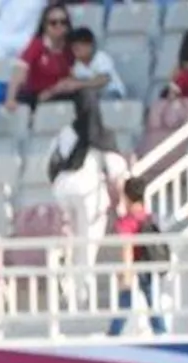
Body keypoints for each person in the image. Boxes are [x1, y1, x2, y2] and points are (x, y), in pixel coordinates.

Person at [48, 88, 129, 307]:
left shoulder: (65, 132)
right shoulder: (102, 134)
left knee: (69, 240)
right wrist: (121, 201)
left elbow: (53, 161)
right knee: (88, 243)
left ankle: (65, 280)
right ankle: (81, 295)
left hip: (62, 188)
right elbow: (117, 171)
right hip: (88, 192)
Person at [108, 176, 168, 337]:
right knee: (152, 302)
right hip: (150, 265)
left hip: (137, 267)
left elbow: (127, 248)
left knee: (126, 302)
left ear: (126, 197)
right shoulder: (150, 217)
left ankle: (113, 334)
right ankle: (160, 332)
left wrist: (126, 275)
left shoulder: (127, 221)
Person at [5, 4, 76, 110]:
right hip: (34, 97)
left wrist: (53, 91)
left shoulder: (71, 47)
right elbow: (20, 69)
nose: (59, 26)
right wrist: (10, 98)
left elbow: (73, 77)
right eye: (53, 23)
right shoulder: (37, 44)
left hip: (59, 95)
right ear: (45, 25)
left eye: (63, 22)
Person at [68, 27, 125, 100]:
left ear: (90, 45)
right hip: (93, 96)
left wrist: (79, 84)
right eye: (73, 47)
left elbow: (103, 80)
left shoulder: (101, 57)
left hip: (112, 93)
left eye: (79, 47)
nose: (75, 50)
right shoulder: (77, 64)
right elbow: (74, 81)